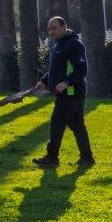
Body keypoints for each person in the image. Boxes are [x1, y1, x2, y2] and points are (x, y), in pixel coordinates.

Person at [31, 16, 95, 168]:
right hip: (67, 93)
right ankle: (87, 158)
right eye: (49, 29)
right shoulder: (57, 45)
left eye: (54, 28)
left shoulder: (74, 44)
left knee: (57, 122)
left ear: (64, 26)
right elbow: (55, 70)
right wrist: (44, 81)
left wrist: (66, 82)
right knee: (77, 125)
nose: (51, 32)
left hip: (71, 92)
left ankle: (52, 158)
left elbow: (81, 69)